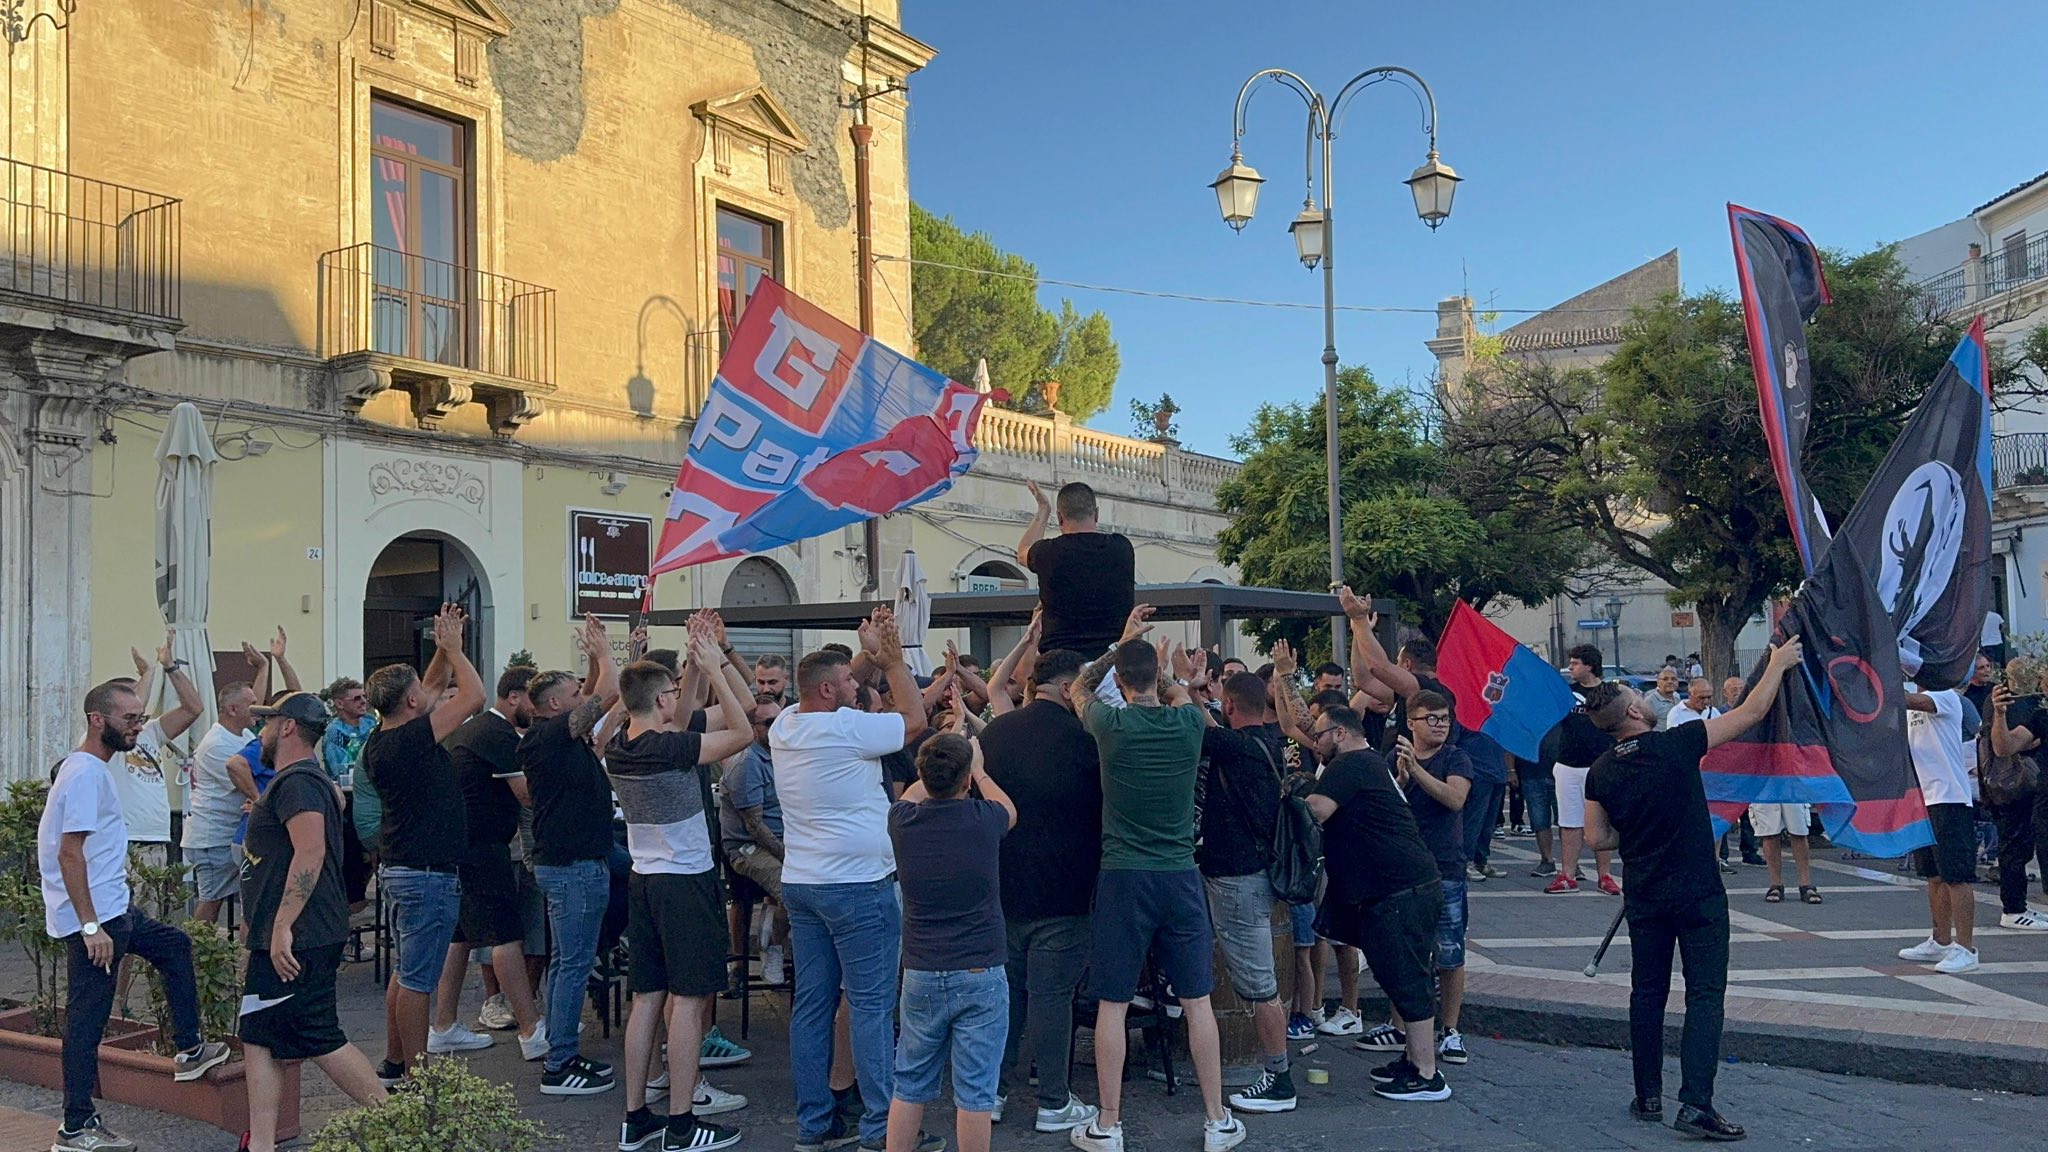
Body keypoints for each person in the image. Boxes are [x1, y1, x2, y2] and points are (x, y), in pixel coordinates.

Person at [1581, 637, 1803, 1141]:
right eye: (1637, 696)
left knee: (1647, 991)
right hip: (1698, 892)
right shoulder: (1676, 744)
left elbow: (1596, 838)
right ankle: (1696, 1103)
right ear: (1634, 711)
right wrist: (1776, 664)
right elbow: (1751, 712)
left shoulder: (1601, 771)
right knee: (1704, 995)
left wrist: (1636, 829)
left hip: (1645, 895)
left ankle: (1647, 1095)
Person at [1067, 615, 1248, 1152]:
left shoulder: (1109, 725)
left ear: (1121, 681)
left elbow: (1078, 686)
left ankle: (1109, 1123)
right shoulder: (1189, 723)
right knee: (1197, 1001)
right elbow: (1180, 696)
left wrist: (1120, 644)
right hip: (1180, 875)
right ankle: (1216, 1119)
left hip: (1124, 875)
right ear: (1156, 678)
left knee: (1113, 1002)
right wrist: (1173, 673)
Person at [44, 680, 229, 1152]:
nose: (138, 726)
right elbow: (69, 854)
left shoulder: (92, 768)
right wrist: (90, 927)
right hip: (98, 920)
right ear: (97, 720)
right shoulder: (84, 774)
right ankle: (76, 1126)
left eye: (140, 717)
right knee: (87, 1022)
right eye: (130, 718)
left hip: (115, 909)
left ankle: (190, 1049)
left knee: (175, 945)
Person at [774, 612, 930, 1152]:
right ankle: (882, 1128)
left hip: (803, 882)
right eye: (848, 682)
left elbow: (831, 678)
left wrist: (865, 652)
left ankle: (814, 1125)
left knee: (811, 1007)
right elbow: (914, 719)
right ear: (828, 691)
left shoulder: (787, 724)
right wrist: (893, 660)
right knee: (870, 1007)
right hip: (858, 885)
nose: (858, 686)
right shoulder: (847, 728)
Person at [610, 635, 754, 1152]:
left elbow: (679, 715)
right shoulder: (671, 748)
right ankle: (681, 1122)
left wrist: (692, 664)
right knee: (689, 1001)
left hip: (645, 880)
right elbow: (743, 731)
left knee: (647, 998)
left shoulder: (621, 743)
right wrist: (714, 669)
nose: (678, 696)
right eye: (672, 691)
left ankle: (636, 1118)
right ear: (660, 699)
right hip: (685, 882)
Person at [237, 693, 389, 1152]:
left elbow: (310, 851)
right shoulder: (301, 780)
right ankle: (261, 1143)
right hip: (283, 934)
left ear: (287, 727)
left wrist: (283, 925)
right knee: (258, 1034)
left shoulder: (299, 782)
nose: (261, 731)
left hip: (300, 936)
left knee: (318, 1035)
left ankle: (401, 1125)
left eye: (268, 722)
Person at [361, 604, 487, 1085]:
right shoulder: (412, 739)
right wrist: (455, 649)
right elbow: (473, 695)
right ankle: (419, 1077)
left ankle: (396, 1062)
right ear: (410, 702)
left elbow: (432, 686)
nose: (428, 690)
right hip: (426, 873)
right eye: (419, 690)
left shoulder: (385, 735)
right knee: (418, 980)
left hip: (404, 868)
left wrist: (442, 645)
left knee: (406, 970)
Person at [1299, 705, 1451, 1103]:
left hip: (1398, 889)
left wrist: (1287, 801)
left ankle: (1426, 1073)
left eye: (1319, 736)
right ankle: (1413, 1060)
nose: (1316, 744)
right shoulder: (1370, 763)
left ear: (1340, 733)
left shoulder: (1349, 764)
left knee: (1408, 977)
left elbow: (1316, 811)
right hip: (1404, 885)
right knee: (1399, 974)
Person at [978, 649, 1102, 1134]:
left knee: (1005, 994)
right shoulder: (1086, 739)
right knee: (1052, 997)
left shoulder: (995, 733)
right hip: (1066, 888)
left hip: (1003, 883)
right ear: (1069, 687)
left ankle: (991, 1092)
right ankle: (1053, 1099)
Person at [886, 729, 1018, 1152]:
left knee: (909, 1082)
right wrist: (979, 768)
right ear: (967, 780)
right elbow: (1010, 810)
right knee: (976, 1091)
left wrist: (941, 762)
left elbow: (914, 793)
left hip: (922, 969)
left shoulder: (902, 821)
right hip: (979, 966)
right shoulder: (985, 819)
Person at [521, 615, 624, 1094]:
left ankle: (561, 1051)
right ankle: (560, 1063)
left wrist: (595, 659)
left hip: (577, 862)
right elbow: (608, 691)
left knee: (568, 962)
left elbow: (605, 700)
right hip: (573, 867)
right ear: (555, 705)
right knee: (573, 964)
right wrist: (603, 652)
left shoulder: (565, 740)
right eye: (574, 693)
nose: (583, 696)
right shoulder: (549, 735)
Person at [1195, 671, 1298, 1113]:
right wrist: (1199, 694)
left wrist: (1183, 687)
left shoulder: (1234, 746)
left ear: (1230, 707)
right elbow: (1212, 727)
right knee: (1259, 980)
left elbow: (1200, 727)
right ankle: (1277, 1073)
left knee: (1258, 984)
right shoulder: (1267, 742)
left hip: (1238, 880)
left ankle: (1279, 1080)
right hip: (1256, 874)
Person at [433, 665, 546, 1058]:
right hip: (483, 848)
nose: (538, 708)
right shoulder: (497, 733)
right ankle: (532, 1030)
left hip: (462, 844)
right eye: (533, 699)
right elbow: (527, 794)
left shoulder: (477, 729)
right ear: (513, 697)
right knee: (505, 936)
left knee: (460, 937)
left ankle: (443, 1024)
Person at [1389, 691, 1477, 1068]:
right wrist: (1400, 779)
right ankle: (1400, 1028)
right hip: (1406, 869)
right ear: (1411, 722)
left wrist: (1417, 772)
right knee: (1405, 952)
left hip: (1446, 868)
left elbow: (1454, 798)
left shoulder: (1456, 757)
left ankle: (1451, 1029)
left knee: (1450, 953)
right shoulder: (1395, 758)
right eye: (1432, 718)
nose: (1440, 725)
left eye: (1444, 718)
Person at [1897, 682, 1982, 974]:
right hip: (1923, 799)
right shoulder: (1911, 704)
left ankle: (1966, 949)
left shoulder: (1946, 696)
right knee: (1933, 875)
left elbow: (1908, 699)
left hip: (1950, 798)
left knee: (1956, 876)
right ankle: (1940, 940)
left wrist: (1880, 674)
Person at [112, 632, 203, 870]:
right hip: (124, 841)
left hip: (157, 839)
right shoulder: (104, 737)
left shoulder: (150, 731)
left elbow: (193, 708)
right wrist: (149, 673)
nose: (139, 707)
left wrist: (170, 667)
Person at [1018, 479, 1136, 657]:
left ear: (1060, 518)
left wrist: (1043, 509)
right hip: (1113, 661)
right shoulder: (1121, 547)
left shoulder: (1048, 553)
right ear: (1096, 514)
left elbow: (1022, 553)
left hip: (1059, 662)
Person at [1546, 645, 1620, 896]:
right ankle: (1567, 875)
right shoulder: (1566, 693)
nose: (1570, 668)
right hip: (1568, 765)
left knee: (1603, 822)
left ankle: (1605, 876)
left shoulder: (1611, 693)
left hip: (1602, 765)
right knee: (1569, 822)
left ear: (1589, 665)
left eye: (1575, 663)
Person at [1986, 661, 2048, 930]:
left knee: (2016, 847)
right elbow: (2005, 747)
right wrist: (1999, 715)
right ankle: (2014, 908)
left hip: (2023, 790)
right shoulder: (2037, 713)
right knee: (2015, 846)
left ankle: (2015, 907)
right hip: (2024, 791)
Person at [318, 676, 378, 909]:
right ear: (340, 703)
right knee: (353, 851)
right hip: (348, 797)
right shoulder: (335, 731)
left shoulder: (370, 723)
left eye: (364, 697)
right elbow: (339, 768)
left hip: (371, 792)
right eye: (356, 698)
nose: (363, 702)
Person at [1461, 730, 1511, 882]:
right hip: (1478, 773)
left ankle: (1481, 860)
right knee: (1473, 821)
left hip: (1497, 774)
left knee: (1488, 824)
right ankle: (1466, 861)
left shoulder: (1497, 717)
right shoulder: (1465, 718)